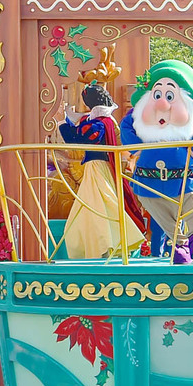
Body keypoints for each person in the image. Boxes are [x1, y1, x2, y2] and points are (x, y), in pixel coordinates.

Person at [120, 60, 193, 264]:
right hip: (149, 182)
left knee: (192, 207)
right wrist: (138, 147)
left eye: (170, 96)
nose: (162, 104)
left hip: (184, 179)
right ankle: (181, 244)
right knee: (160, 213)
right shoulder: (138, 118)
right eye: (157, 95)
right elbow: (126, 126)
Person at [59, 81, 145, 260]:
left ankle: (108, 246)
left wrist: (64, 123)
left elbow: (80, 139)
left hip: (97, 167)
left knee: (99, 205)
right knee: (95, 206)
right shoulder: (104, 119)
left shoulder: (99, 123)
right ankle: (105, 246)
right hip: (99, 167)